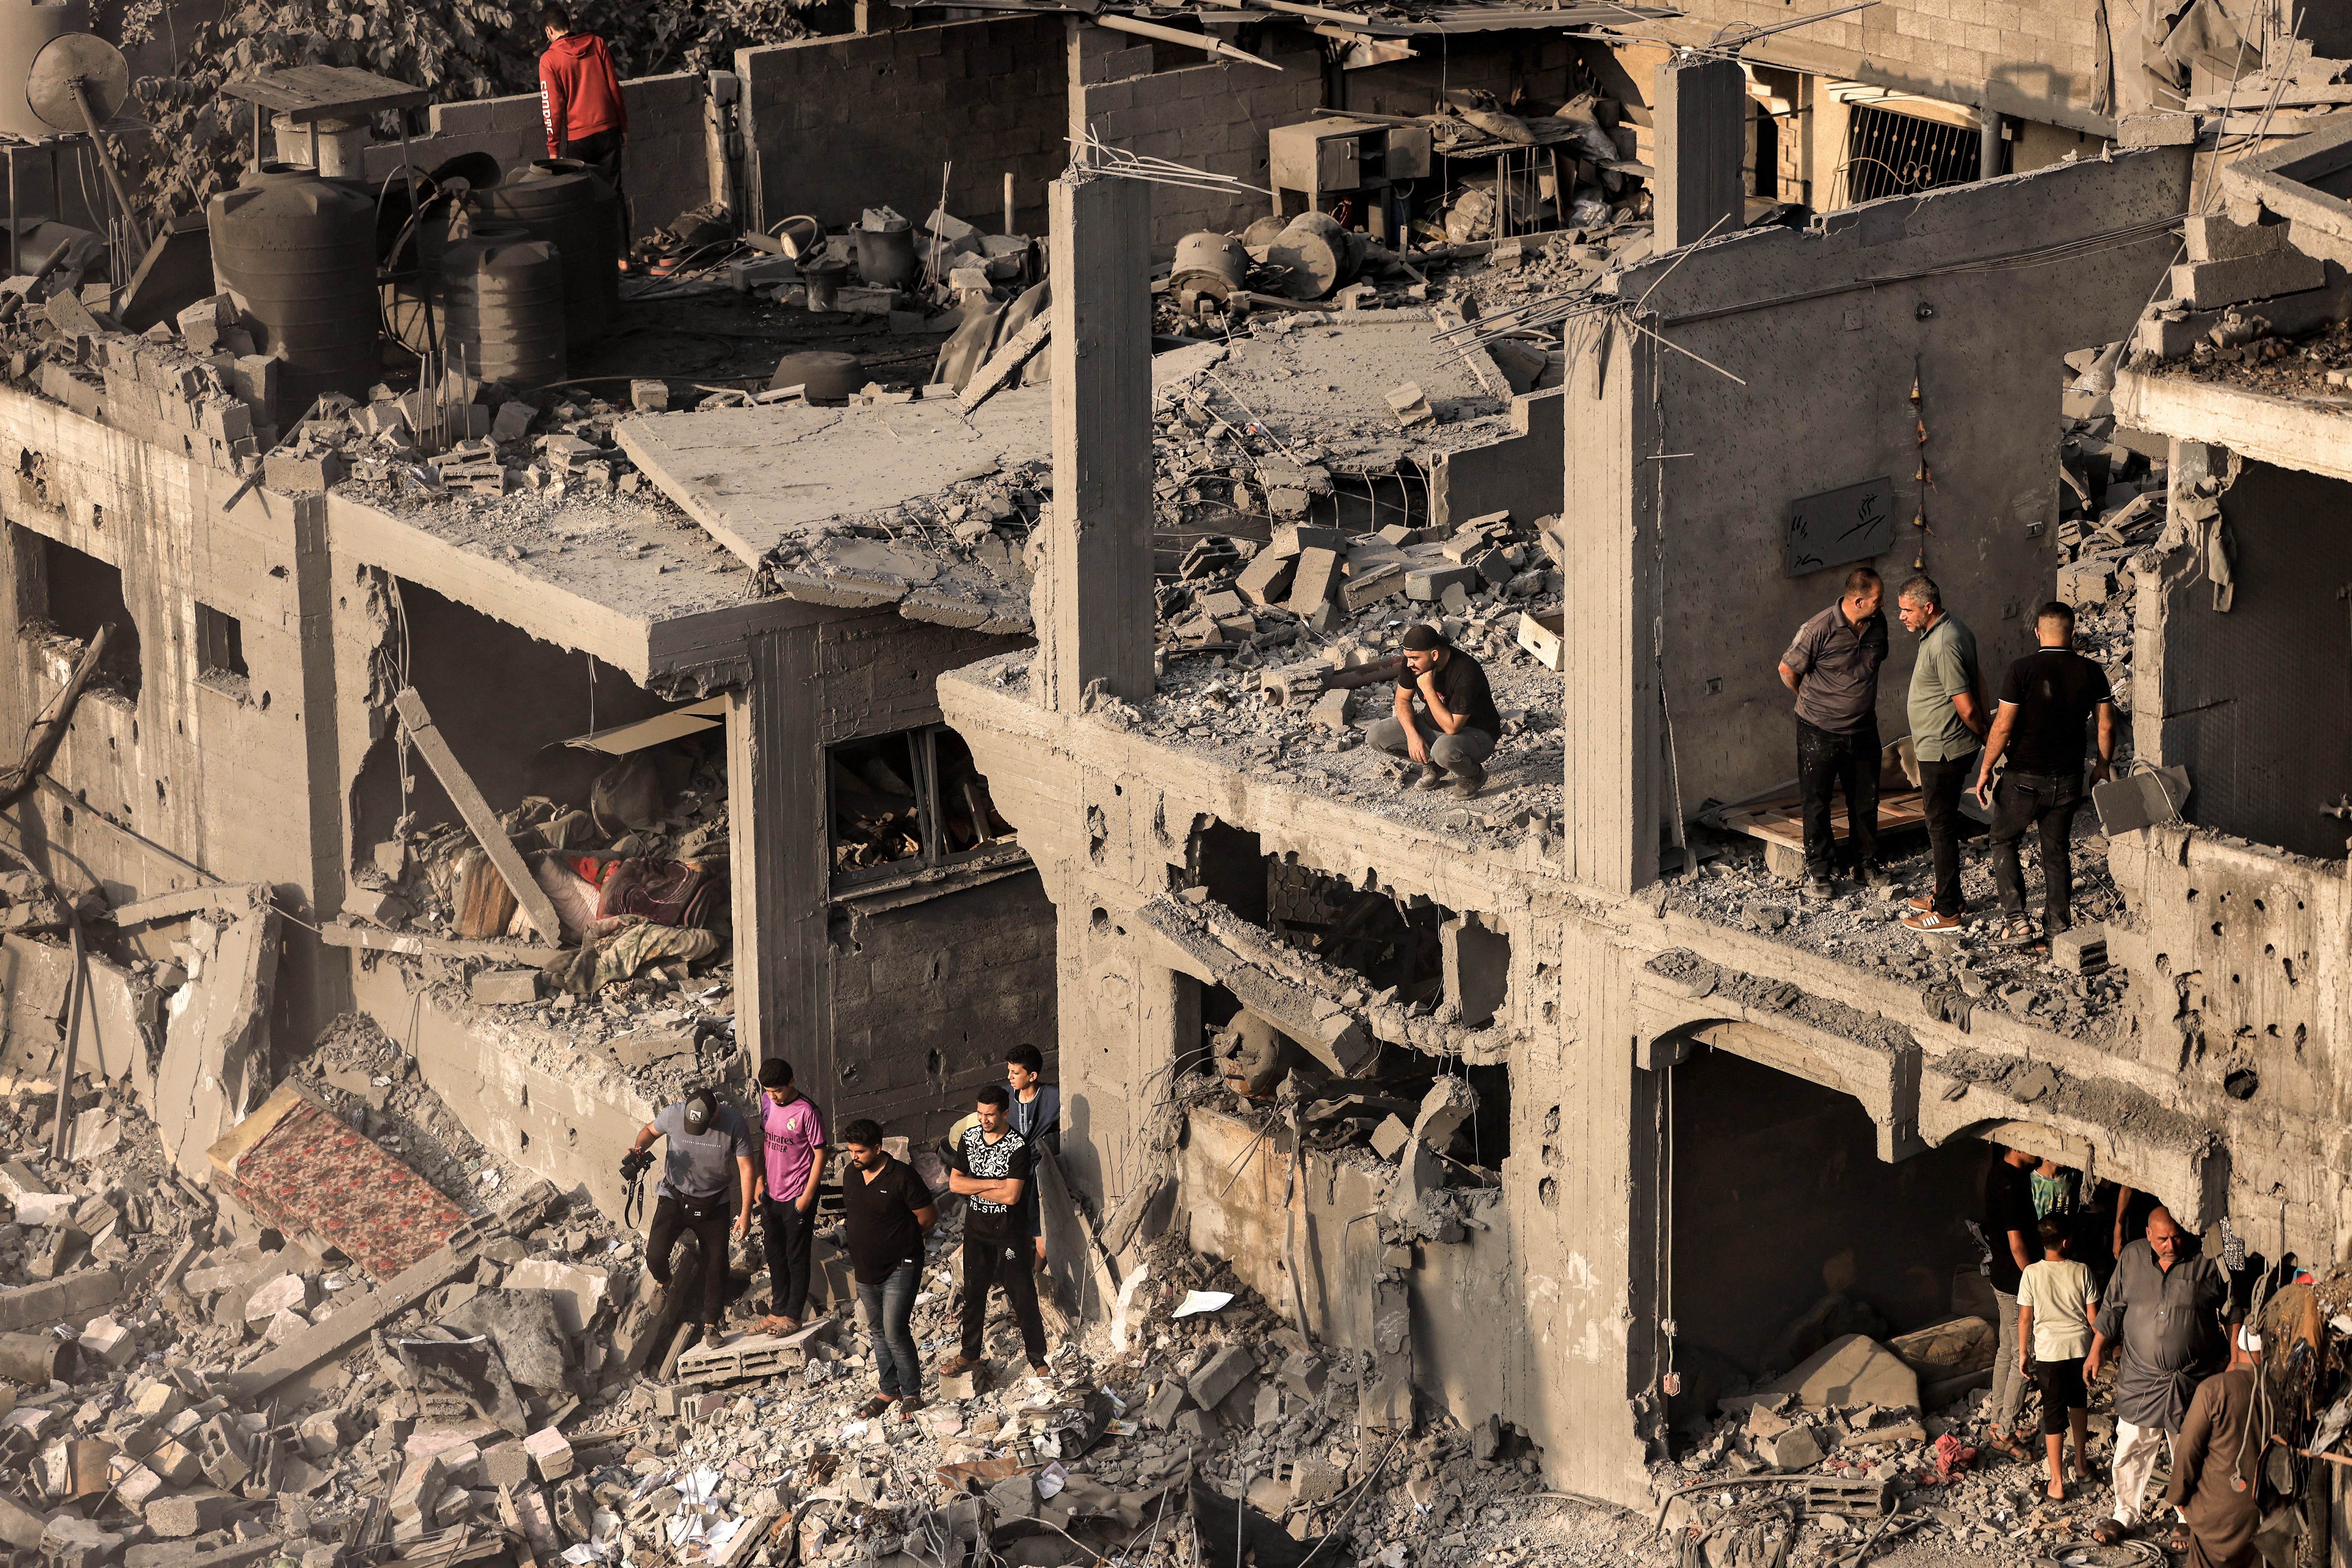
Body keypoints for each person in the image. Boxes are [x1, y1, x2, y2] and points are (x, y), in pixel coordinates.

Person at [1973, 601, 2116, 952]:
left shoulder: (2021, 670)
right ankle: (2057, 935)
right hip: (2067, 779)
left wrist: (1986, 768)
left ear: (2037, 633)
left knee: (2004, 840)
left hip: (2024, 778)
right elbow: (2107, 724)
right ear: (2073, 633)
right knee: (2056, 853)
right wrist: (2101, 765)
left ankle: (2017, 921)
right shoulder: (2092, 672)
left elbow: (2004, 726)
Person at [2086, 1205, 2233, 1545]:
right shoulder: (2133, 1257)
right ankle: (2124, 1513)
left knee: (2189, 1447)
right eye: (2163, 1238)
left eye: (2177, 1236)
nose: (2171, 1245)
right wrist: (2096, 1350)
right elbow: (2113, 1306)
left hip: (2192, 1377)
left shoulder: (2206, 1259)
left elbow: (2232, 1307)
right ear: (2148, 1235)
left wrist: (2236, 1358)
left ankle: (2188, 1516)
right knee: (2132, 1445)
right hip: (2141, 1376)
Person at [1778, 566, 1890, 900]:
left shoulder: (1877, 624)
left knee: (1866, 801)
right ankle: (1821, 871)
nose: (1882, 605)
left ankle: (1866, 864)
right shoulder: (1818, 629)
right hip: (1819, 732)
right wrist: (1813, 703)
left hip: (1864, 730)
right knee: (1817, 803)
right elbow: (1787, 669)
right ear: (1858, 601)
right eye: (1877, 600)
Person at [624, 1084, 754, 1353]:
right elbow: (650, 1131)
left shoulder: (734, 1123)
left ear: (715, 1114)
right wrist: (639, 1149)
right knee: (655, 1255)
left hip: (715, 1202)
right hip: (675, 1196)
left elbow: (746, 1167)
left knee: (716, 1264)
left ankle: (711, 1325)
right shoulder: (673, 1114)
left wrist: (745, 1213)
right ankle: (664, 1282)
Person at [1894, 575, 1984, 934]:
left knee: (1940, 827)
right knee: (1940, 823)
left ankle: (1947, 912)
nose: (1901, 616)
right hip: (1939, 747)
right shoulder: (1948, 630)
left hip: (1944, 750)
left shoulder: (1945, 642)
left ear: (1928, 608)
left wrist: (1988, 734)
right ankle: (1948, 894)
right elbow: (1978, 677)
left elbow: (1965, 703)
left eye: (1907, 610)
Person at [940, 1085, 1049, 1379]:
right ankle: (969, 1355)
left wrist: (977, 1184)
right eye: (980, 1113)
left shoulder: (1018, 1147)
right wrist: (994, 1184)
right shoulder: (970, 1138)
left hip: (1010, 1236)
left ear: (1006, 1113)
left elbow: (1012, 1197)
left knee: (1023, 1294)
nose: (984, 1120)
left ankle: (1038, 1359)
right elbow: (955, 1185)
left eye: (990, 1115)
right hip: (977, 1233)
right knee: (974, 1293)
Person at [839, 1118, 936, 1421]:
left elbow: (928, 1216)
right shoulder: (850, 1175)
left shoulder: (902, 1177)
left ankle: (912, 1393)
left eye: (860, 1152)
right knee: (878, 1331)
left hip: (901, 1266)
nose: (854, 1157)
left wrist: (901, 1243)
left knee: (895, 1330)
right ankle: (888, 1389)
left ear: (878, 1149)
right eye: (851, 1151)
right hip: (866, 1270)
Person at [2163, 1325, 2267, 1568]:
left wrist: (2180, 1495)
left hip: (2215, 1516)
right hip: (2264, 1516)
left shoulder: (2214, 1389)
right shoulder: (2279, 1392)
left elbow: (2188, 1448)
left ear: (2239, 1349)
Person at [1368, 624, 1503, 799]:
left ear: (1434, 655)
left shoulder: (1466, 671)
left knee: (1443, 751)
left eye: (1414, 658)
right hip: (1436, 727)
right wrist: (1412, 736)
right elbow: (1402, 699)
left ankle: (1473, 775)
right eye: (1407, 658)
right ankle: (1434, 765)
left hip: (1476, 735)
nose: (1409, 663)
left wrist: (1428, 690)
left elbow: (1452, 728)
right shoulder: (1414, 664)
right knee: (1377, 736)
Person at [2017, 1217, 2099, 1501]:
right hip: (2079, 1351)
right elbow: (2093, 1319)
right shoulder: (2082, 1271)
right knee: (2079, 1403)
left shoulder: (2031, 1273)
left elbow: (2025, 1318)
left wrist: (2023, 1352)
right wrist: (2099, 1349)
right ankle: (2081, 1465)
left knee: (2052, 1415)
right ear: (2067, 1241)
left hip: (2050, 1354)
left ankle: (2056, 1482)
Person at [1975, 1143, 2042, 1462]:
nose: (2041, 1153)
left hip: (2002, 1279)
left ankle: (1997, 1424)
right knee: (2024, 1356)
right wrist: (2037, 1282)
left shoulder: (2000, 1174)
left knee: (2006, 1350)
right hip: (2018, 1285)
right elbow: (2018, 1245)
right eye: (2035, 1146)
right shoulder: (2010, 1185)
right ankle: (2004, 1433)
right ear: (2017, 1145)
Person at [751, 1058, 825, 1334]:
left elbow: (821, 1154)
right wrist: (760, 1179)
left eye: (778, 1091)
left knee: (797, 1257)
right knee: (774, 1253)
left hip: (797, 1195)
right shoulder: (767, 1102)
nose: (773, 1097)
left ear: (792, 1083)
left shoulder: (808, 1112)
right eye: (769, 1091)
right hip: (771, 1193)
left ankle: (794, 1316)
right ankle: (777, 1310)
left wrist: (806, 1197)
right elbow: (765, 1141)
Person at [538, 4, 628, 197]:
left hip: (579, 139)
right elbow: (614, 88)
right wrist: (623, 126)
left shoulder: (549, 60)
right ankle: (619, 229)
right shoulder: (597, 44)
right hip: (608, 130)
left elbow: (552, 107)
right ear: (570, 25)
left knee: (583, 198)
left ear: (549, 31)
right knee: (614, 193)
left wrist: (554, 147)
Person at [1005, 1044, 1060, 1274]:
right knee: (1010, 1237)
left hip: (1039, 1177)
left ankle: (1036, 1279)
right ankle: (1016, 1280)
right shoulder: (1006, 1097)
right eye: (1009, 1071)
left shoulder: (1053, 1097)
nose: (1010, 1077)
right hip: (1009, 1174)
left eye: (1015, 1073)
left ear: (1033, 1075)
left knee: (1041, 1240)